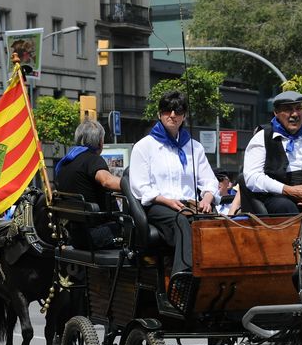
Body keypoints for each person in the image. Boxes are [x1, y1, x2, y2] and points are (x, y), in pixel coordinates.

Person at [129, 91, 218, 278]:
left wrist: (207, 198)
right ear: (159, 114)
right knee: (182, 221)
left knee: (212, 223)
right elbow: (140, 187)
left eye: (177, 111)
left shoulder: (194, 147)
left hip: (188, 205)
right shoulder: (144, 146)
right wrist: (168, 202)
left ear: (184, 116)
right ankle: (183, 276)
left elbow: (209, 180)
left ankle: (215, 274)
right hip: (158, 206)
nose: (172, 115)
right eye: (167, 111)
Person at [242, 90, 302, 214]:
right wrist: (287, 190)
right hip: (278, 195)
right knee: (285, 207)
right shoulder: (262, 137)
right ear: (276, 113)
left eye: (298, 108)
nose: (295, 114)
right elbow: (252, 177)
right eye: (288, 109)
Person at [54, 119, 122, 249]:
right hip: (95, 235)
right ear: (100, 142)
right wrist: (133, 184)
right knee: (137, 229)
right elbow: (107, 181)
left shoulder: (64, 164)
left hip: (74, 236)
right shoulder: (92, 159)